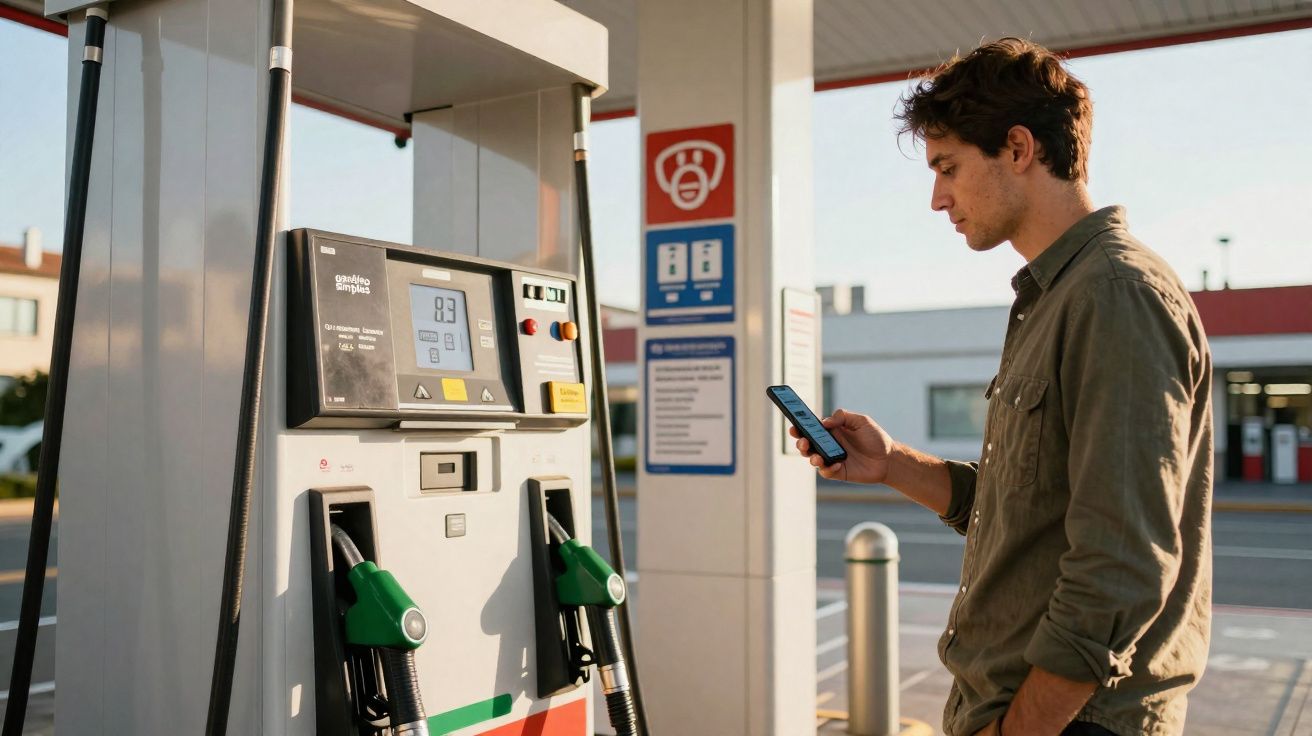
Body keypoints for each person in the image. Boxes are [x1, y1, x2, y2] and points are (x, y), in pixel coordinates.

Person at [793, 38, 1213, 736]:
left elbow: (1122, 563)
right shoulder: (1056, 297)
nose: (937, 199)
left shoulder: (1115, 294)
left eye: (948, 167)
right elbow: (1024, 511)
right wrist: (892, 463)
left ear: (1018, 148)